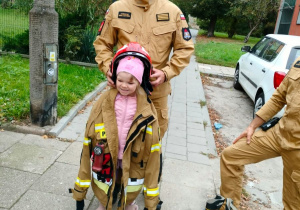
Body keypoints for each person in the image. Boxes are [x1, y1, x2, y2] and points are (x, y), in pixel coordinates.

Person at [70, 43, 161, 210]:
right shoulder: (105, 101)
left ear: (140, 81)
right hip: (107, 151)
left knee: (128, 178)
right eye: (120, 80)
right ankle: (104, 203)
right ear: (114, 78)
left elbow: (153, 145)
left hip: (133, 154)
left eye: (130, 82)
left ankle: (128, 202)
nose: (124, 85)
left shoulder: (146, 108)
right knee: (108, 178)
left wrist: (150, 202)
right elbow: (90, 132)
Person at [93, 0, 194, 139]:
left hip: (155, 95)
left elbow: (184, 48)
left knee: (150, 147)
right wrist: (108, 67)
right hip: (121, 93)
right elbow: (102, 43)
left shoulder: (173, 12)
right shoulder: (117, 8)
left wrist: (166, 73)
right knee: (115, 142)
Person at [219, 57, 300, 210]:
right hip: (279, 133)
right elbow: (279, 98)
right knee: (231, 156)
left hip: (297, 150)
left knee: (293, 204)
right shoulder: (299, 61)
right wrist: (252, 126)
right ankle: (228, 206)